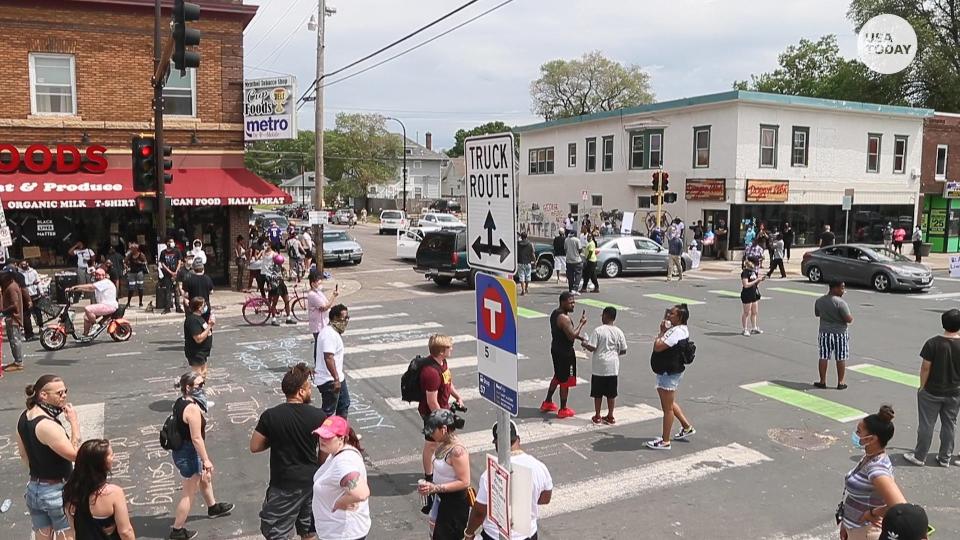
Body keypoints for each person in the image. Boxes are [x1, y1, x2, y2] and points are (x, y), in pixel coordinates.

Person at [251, 363, 326, 540]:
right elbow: (324, 453)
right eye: (309, 388)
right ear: (300, 391)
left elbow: (255, 446)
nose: (311, 391)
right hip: (310, 483)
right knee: (308, 531)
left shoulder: (271, 416)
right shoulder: (319, 416)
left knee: (277, 532)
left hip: (283, 485)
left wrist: (275, 438)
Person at [168, 372, 234, 540]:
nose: (202, 388)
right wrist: (206, 460)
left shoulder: (180, 401)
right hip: (189, 452)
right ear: (188, 387)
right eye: (199, 385)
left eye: (203, 384)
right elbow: (196, 438)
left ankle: (212, 507)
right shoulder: (192, 409)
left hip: (183, 450)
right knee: (189, 493)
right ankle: (177, 530)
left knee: (205, 478)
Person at [464, 421, 553, 540]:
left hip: (495, 535)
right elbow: (545, 499)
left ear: (496, 444)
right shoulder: (539, 467)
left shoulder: (491, 474)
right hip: (529, 535)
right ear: (518, 439)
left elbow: (479, 512)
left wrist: (469, 533)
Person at [18, 374, 80, 538]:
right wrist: (74, 423)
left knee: (43, 533)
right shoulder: (47, 426)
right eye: (59, 393)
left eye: (65, 391)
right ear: (43, 395)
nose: (64, 396)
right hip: (56, 491)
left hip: (34, 488)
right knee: (67, 533)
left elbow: (23, 455)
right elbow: (74, 455)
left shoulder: (24, 417)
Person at [838, 406, 906, 540]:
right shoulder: (869, 457)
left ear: (872, 439)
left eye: (859, 431)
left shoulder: (877, 470)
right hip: (854, 528)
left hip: (865, 532)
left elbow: (900, 506)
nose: (855, 435)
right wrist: (845, 524)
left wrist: (872, 513)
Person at [903, 308, 960, 468]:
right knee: (950, 424)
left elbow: (925, 368)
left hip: (932, 390)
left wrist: (922, 387)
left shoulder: (932, 343)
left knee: (927, 424)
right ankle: (945, 458)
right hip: (955, 391)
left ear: (943, 323)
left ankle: (920, 456)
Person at [418, 335, 465, 504]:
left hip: (442, 410)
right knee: (431, 445)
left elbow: (448, 381)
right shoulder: (430, 372)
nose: (451, 349)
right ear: (441, 351)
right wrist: (442, 420)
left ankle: (440, 469)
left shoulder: (442, 364)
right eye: (449, 348)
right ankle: (429, 476)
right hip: (432, 414)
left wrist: (457, 396)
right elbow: (431, 401)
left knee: (440, 443)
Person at [311, 416, 371, 540]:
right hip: (339, 531)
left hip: (342, 534)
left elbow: (361, 493)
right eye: (321, 435)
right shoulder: (337, 453)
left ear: (341, 438)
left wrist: (339, 503)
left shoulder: (344, 463)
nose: (322, 440)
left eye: (327, 437)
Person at [63, 439, 136, 540]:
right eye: (111, 455)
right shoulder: (114, 493)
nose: (114, 457)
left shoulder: (70, 491)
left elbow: (73, 529)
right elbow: (125, 532)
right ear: (102, 463)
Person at [647, 304, 695, 450]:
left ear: (680, 317)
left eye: (672, 314)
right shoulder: (679, 329)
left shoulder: (676, 332)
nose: (668, 316)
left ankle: (665, 441)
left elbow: (658, 346)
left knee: (667, 408)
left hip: (669, 373)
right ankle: (686, 427)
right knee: (669, 402)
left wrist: (661, 333)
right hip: (669, 371)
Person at [419, 409, 470, 540]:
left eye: (433, 431)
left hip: (454, 507)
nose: (431, 435)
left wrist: (435, 488)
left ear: (444, 429)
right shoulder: (442, 444)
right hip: (441, 501)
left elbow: (465, 482)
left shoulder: (457, 451)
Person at [540, 291, 587, 419]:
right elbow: (571, 336)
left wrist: (581, 338)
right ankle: (563, 408)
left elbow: (566, 333)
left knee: (558, 376)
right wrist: (581, 324)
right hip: (565, 353)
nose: (573, 305)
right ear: (563, 302)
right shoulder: (564, 318)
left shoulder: (556, 314)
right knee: (565, 380)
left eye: (574, 302)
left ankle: (547, 402)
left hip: (556, 348)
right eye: (571, 302)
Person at [580, 306, 627, 425]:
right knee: (611, 394)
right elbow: (623, 350)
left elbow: (592, 347)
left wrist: (584, 344)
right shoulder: (619, 331)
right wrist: (614, 353)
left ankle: (597, 415)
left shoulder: (598, 331)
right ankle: (610, 416)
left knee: (598, 393)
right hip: (613, 366)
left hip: (599, 366)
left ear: (605, 315)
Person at [814, 280, 853, 390]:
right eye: (842, 288)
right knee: (840, 358)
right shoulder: (841, 303)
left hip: (824, 332)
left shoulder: (819, 301)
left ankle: (822, 381)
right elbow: (849, 319)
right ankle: (840, 382)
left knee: (823, 356)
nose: (843, 291)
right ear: (834, 288)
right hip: (839, 334)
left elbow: (817, 314)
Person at [316, 304, 351, 418]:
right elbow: (328, 357)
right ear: (335, 318)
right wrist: (336, 379)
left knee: (344, 404)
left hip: (337, 378)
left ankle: (341, 433)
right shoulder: (329, 334)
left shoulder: (333, 332)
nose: (346, 321)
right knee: (328, 412)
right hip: (329, 380)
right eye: (344, 318)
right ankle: (322, 434)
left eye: (347, 318)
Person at [66, 268, 118, 337]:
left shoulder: (105, 282)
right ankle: (86, 335)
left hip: (109, 305)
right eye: (96, 275)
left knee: (88, 309)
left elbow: (91, 287)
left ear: (104, 275)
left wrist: (75, 287)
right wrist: (75, 289)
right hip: (104, 306)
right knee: (86, 317)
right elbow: (88, 289)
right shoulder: (99, 284)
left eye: (100, 275)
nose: (97, 277)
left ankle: (95, 325)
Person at [0, 268, 27, 371]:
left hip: (13, 317)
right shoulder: (10, 286)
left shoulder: (11, 287)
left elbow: (14, 305)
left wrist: (3, 313)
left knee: (15, 340)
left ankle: (18, 362)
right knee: (13, 339)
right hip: (12, 317)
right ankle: (17, 360)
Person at [183, 297, 214, 378]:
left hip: (202, 352)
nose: (205, 307)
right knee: (197, 376)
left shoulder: (199, 318)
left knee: (203, 373)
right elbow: (198, 339)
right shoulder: (193, 320)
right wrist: (210, 326)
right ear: (199, 307)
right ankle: (196, 390)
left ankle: (200, 389)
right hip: (196, 352)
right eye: (204, 305)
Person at [308, 269, 338, 348]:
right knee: (319, 346)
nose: (320, 282)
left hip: (323, 323)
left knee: (321, 345)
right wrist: (333, 296)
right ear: (313, 283)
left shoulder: (318, 292)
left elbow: (327, 304)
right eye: (318, 281)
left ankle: (319, 360)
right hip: (318, 325)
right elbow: (324, 307)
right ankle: (317, 360)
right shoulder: (312, 295)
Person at [264, 253, 295, 326]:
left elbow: (285, 276)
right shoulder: (271, 268)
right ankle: (273, 319)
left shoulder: (282, 268)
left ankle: (288, 318)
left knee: (287, 302)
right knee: (274, 303)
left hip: (282, 285)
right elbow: (268, 277)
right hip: (275, 287)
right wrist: (276, 278)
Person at [19, 259, 44, 342]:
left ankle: (41, 326)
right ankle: (29, 332)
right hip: (25, 295)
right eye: (21, 265)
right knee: (26, 314)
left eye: (24, 264)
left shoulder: (33, 272)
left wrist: (41, 291)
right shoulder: (19, 273)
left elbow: (38, 282)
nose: (23, 266)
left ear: (27, 264)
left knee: (38, 312)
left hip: (34, 293)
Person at [740, 257, 765, 336]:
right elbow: (746, 285)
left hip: (754, 293)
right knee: (746, 312)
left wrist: (759, 280)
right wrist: (756, 280)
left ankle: (754, 327)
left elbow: (755, 283)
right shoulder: (745, 272)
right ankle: (745, 329)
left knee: (754, 312)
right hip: (747, 294)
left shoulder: (754, 272)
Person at [160, 238, 183, 314]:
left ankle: (178, 307)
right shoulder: (163, 252)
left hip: (176, 274)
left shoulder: (177, 251)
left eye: (173, 241)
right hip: (167, 275)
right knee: (168, 291)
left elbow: (179, 261)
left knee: (177, 291)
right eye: (170, 242)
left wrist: (176, 272)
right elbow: (162, 263)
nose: (172, 243)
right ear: (167, 243)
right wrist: (170, 272)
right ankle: (167, 307)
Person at [124, 243, 147, 308]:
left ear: (136, 249)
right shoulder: (130, 255)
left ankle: (140, 302)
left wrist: (140, 263)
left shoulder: (141, 254)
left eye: (133, 248)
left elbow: (145, 262)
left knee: (140, 287)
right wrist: (126, 267)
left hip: (139, 272)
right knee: (131, 287)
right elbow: (125, 262)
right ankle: (128, 302)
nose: (131, 250)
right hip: (132, 273)